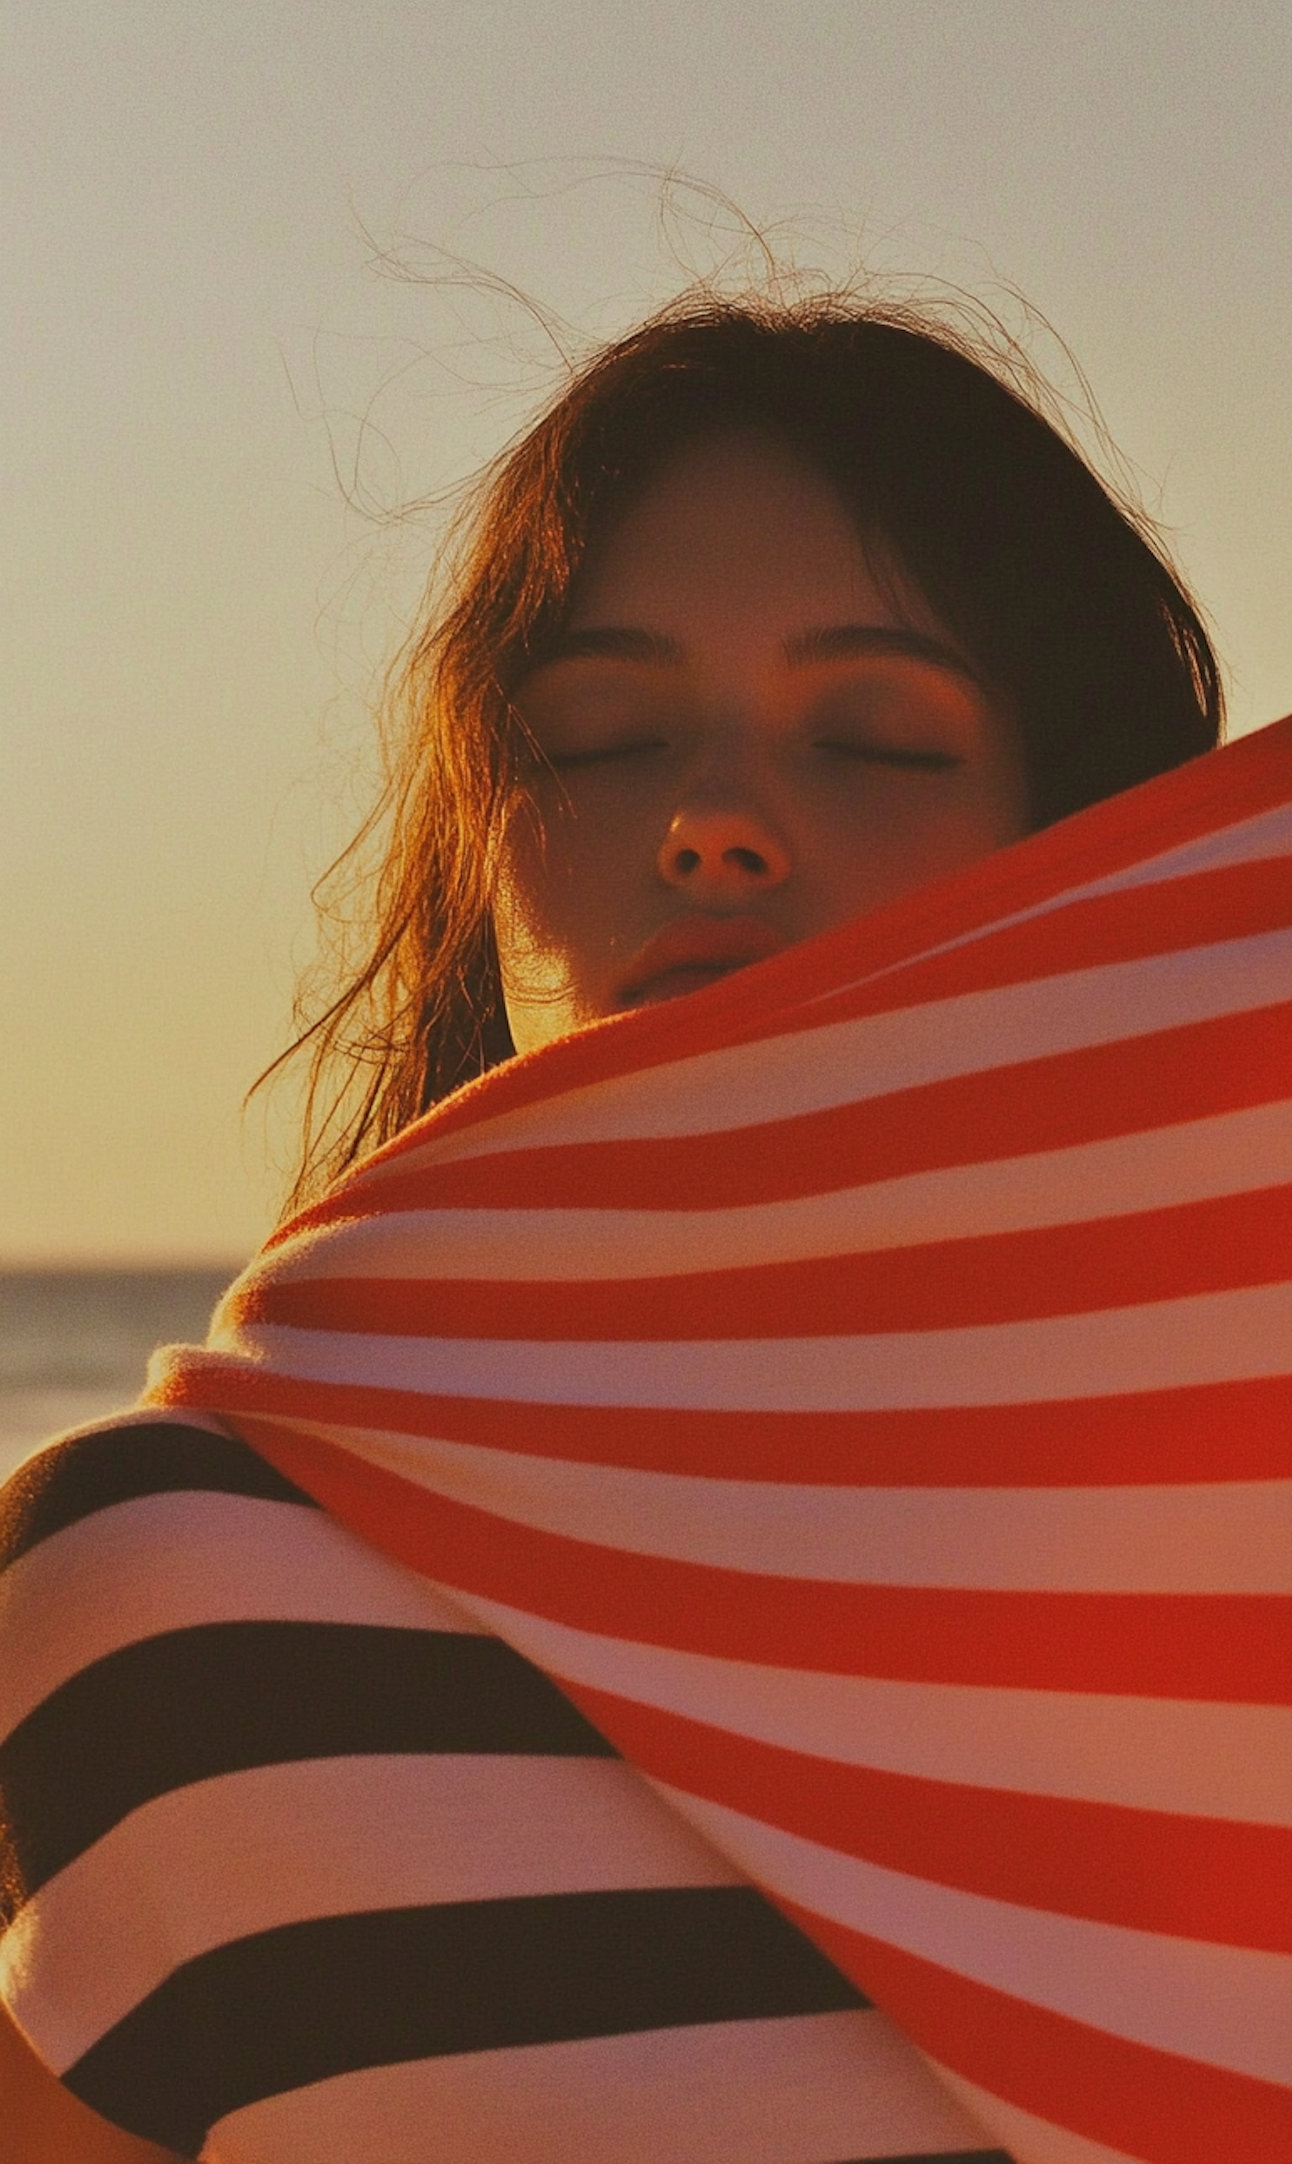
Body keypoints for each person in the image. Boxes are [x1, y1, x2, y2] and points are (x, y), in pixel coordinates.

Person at [0, 292, 1223, 2162]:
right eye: (601, 735)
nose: (714, 821)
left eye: (882, 737)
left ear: (1096, 863)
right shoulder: (172, 1600)